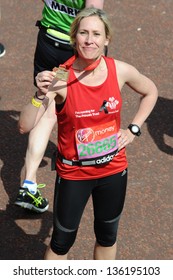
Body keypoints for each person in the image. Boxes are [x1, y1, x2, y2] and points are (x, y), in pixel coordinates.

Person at [18, 7, 158, 260]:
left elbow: (151, 91)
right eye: (83, 33)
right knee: (61, 243)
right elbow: (25, 126)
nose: (89, 40)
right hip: (74, 175)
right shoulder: (60, 76)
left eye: (96, 34)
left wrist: (133, 129)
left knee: (107, 237)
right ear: (74, 38)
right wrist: (39, 95)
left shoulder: (120, 70)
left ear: (107, 40)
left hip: (113, 170)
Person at [15, 0, 104, 213]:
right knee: (59, 111)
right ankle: (89, 161)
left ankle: (28, 184)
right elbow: (93, 16)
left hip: (47, 41)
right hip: (71, 51)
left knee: (45, 107)